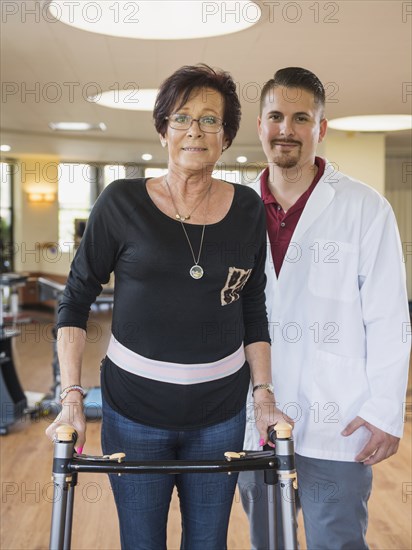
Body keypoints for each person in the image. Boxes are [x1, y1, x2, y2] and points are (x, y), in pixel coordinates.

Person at [46, 64, 288, 550]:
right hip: (133, 410)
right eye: (181, 118)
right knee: (141, 541)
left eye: (209, 120)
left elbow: (253, 308)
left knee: (208, 542)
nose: (194, 131)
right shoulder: (121, 203)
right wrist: (71, 397)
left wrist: (263, 398)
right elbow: (75, 302)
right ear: (162, 131)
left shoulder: (246, 209)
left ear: (226, 136)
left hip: (220, 411)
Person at [238, 67, 410, 549]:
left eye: (300, 118)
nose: (285, 130)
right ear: (259, 125)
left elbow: (389, 317)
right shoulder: (236, 209)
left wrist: (385, 410)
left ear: (321, 128)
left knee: (337, 540)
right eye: (275, 116)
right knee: (267, 539)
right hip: (256, 414)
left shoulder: (364, 208)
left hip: (340, 416)